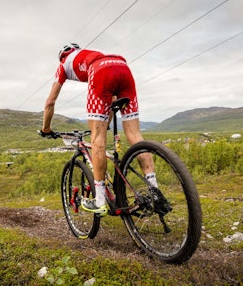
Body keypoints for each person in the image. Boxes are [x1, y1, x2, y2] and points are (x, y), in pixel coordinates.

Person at [40, 43, 157, 216]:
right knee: (134, 134)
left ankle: (100, 201)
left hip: (101, 73)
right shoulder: (92, 53)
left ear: (62, 56)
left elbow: (50, 102)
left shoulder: (63, 64)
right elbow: (112, 93)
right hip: (123, 66)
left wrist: (46, 128)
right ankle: (155, 190)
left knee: (97, 139)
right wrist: (106, 119)